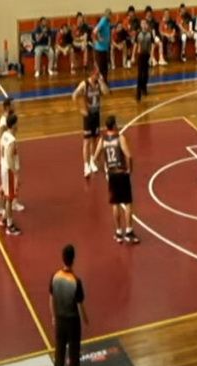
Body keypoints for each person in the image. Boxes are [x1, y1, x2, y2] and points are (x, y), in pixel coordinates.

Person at [93, 116, 140, 244]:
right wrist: (130, 170)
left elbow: (95, 158)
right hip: (121, 173)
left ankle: (118, 232)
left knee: (115, 203)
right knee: (128, 202)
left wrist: (104, 170)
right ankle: (129, 232)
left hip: (112, 174)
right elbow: (129, 156)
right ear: (114, 125)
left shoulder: (102, 139)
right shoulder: (120, 138)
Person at [49, 244, 89, 366]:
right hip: (73, 323)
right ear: (73, 259)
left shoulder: (55, 277)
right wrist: (85, 319)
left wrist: (53, 316)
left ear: (63, 258)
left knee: (59, 357)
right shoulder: (76, 281)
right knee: (73, 358)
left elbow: (51, 299)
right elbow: (79, 304)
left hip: (60, 321)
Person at [72, 70, 110, 178]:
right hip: (88, 116)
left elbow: (106, 92)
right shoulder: (85, 84)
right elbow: (74, 95)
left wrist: (102, 82)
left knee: (94, 139)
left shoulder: (98, 83)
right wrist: (80, 109)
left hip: (96, 114)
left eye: (98, 74)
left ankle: (93, 161)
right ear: (91, 74)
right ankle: (86, 165)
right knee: (87, 141)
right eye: (96, 75)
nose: (98, 76)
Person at [0, 98, 24, 215]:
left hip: (12, 151)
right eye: (13, 105)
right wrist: (0, 148)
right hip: (7, 154)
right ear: (7, 107)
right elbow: (0, 134)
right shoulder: (4, 121)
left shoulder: (10, 118)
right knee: (10, 180)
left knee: (13, 180)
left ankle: (13, 201)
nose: (15, 106)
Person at [0, 114, 22, 236]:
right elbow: (8, 156)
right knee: (9, 198)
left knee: (7, 196)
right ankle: (10, 226)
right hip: (9, 171)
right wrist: (15, 173)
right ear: (13, 125)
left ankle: (3, 218)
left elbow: (1, 153)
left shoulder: (4, 135)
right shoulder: (12, 140)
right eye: (17, 123)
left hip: (4, 169)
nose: (19, 125)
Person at [133, 19, 153, 102]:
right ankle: (138, 93)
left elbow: (152, 45)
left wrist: (151, 57)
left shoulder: (149, 34)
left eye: (145, 23)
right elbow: (135, 44)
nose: (144, 25)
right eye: (142, 23)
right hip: (140, 55)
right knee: (139, 74)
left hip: (147, 55)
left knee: (146, 74)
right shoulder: (138, 34)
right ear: (141, 25)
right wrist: (133, 56)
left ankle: (144, 87)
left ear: (147, 25)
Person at [92, 9, 112, 83]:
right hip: (99, 49)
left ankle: (104, 82)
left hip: (105, 49)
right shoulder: (103, 21)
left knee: (105, 68)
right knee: (99, 69)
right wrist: (98, 39)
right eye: (108, 15)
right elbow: (94, 31)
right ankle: (96, 83)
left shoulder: (108, 22)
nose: (110, 16)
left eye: (110, 15)